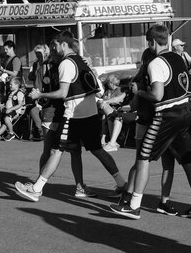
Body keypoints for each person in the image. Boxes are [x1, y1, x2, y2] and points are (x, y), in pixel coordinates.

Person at [15, 31, 127, 202]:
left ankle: (36, 189)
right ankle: (121, 184)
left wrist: (39, 96)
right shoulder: (82, 61)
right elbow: (98, 89)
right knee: (97, 150)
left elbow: (62, 93)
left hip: (74, 115)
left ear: (63, 44)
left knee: (57, 150)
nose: (53, 48)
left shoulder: (66, 64)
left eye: (55, 45)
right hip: (90, 114)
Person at [110, 25, 191, 220]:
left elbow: (157, 95)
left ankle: (134, 205)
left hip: (166, 115)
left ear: (152, 42)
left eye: (149, 42)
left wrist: (139, 92)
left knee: (143, 157)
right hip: (183, 113)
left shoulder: (156, 63)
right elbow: (189, 89)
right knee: (187, 160)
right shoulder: (178, 58)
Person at [28, 44, 50, 141]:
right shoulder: (35, 64)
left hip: (46, 92)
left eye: (39, 53)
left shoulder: (48, 63)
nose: (38, 55)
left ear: (45, 52)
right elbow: (30, 76)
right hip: (37, 90)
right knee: (33, 110)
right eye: (36, 53)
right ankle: (40, 131)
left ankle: (45, 132)